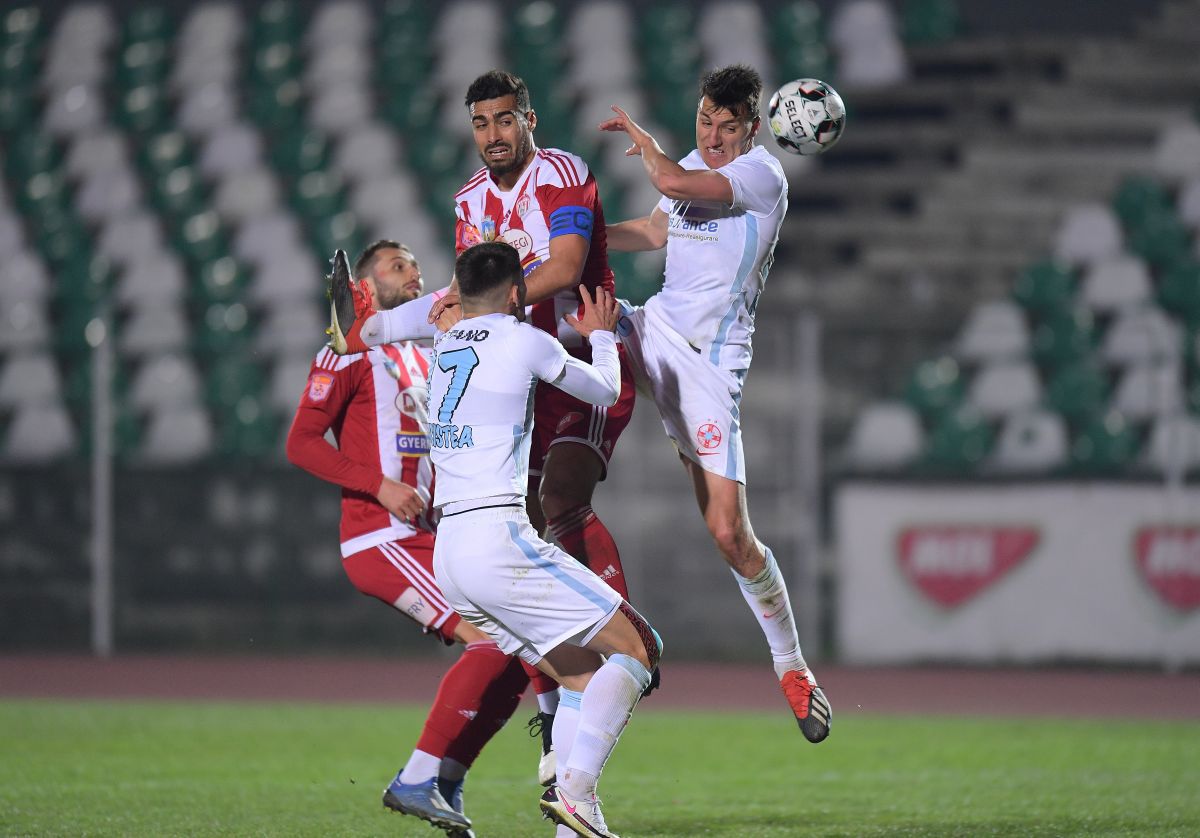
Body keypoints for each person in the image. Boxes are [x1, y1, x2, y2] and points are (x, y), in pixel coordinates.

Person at [328, 240, 662, 837]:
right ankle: (576, 795)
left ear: (457, 294)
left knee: (582, 680)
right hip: (498, 536)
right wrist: (602, 333)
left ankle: (571, 827)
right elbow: (604, 392)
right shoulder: (522, 336)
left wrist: (364, 326)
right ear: (516, 294)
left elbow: (383, 331)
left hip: (451, 552)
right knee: (639, 648)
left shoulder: (445, 340)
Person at [598, 64, 832, 743]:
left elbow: (670, 183)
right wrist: (579, 240)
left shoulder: (763, 178)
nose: (715, 136)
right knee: (566, 307)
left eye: (728, 128)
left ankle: (791, 665)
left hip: (709, 368)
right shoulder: (695, 161)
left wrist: (646, 146)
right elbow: (653, 228)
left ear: (753, 129)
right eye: (706, 122)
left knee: (730, 535)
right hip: (654, 329)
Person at [434, 68, 652, 782]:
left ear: (528, 118)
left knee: (561, 493)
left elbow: (562, 266)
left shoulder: (562, 173)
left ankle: (624, 633)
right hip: (520, 372)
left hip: (583, 352)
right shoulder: (469, 197)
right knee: (519, 522)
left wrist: (486, 297)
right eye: (482, 125)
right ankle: (560, 718)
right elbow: (471, 285)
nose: (493, 136)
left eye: (504, 120)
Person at [286, 240, 529, 837]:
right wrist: (379, 485)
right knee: (495, 642)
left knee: (520, 655)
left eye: (416, 266)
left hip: (429, 538)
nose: (414, 275)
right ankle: (417, 778)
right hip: (382, 537)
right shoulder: (345, 353)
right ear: (364, 289)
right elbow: (302, 442)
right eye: (398, 267)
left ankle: (445, 779)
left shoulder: (427, 354)